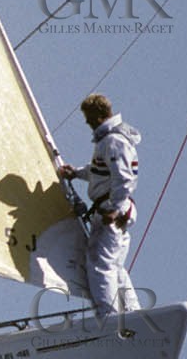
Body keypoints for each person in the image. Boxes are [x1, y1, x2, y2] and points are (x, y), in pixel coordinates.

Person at [56, 93, 142, 320]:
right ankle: (132, 313)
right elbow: (99, 172)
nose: (88, 123)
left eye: (89, 118)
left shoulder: (113, 141)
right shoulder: (109, 141)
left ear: (99, 115)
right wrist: (76, 173)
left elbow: (124, 179)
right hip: (115, 208)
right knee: (115, 266)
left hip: (111, 210)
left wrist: (114, 208)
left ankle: (109, 316)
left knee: (99, 264)